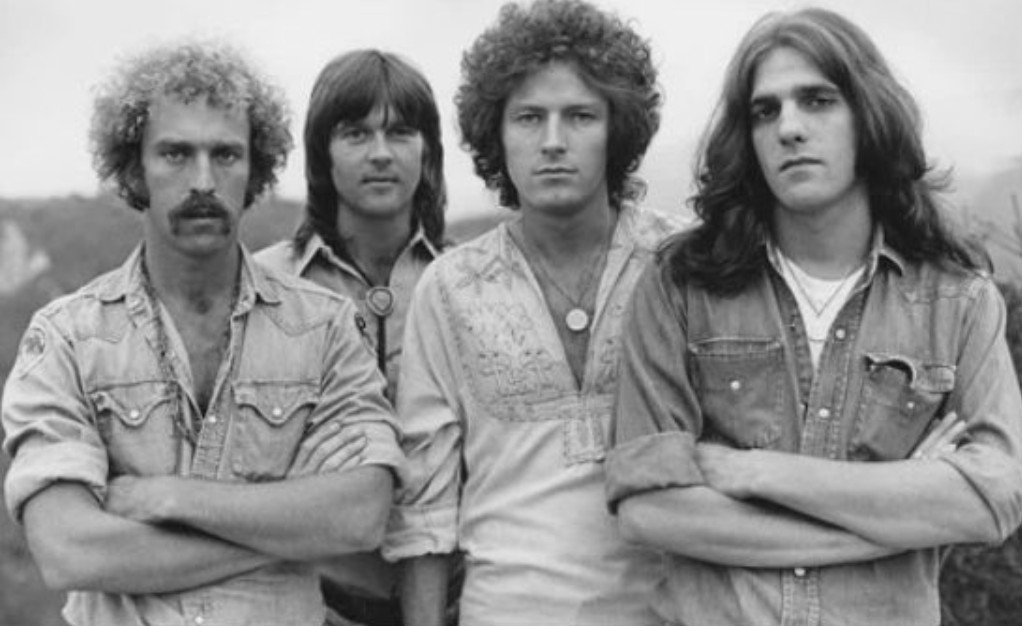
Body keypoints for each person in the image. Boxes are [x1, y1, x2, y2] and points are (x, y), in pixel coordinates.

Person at [606, 7, 1022, 625]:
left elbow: (993, 499)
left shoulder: (958, 300)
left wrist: (756, 472)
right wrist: (899, 514)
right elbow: (649, 510)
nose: (789, 128)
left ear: (869, 116)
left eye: (818, 101)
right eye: (764, 111)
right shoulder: (682, 287)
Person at [1, 41, 404, 626]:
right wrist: (291, 526)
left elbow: (361, 516)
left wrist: (169, 497)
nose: (204, 180)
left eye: (226, 155)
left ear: (254, 168)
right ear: (134, 168)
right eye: (175, 154)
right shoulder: (66, 336)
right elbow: (69, 550)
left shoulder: (325, 328)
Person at [383, 1, 683, 624]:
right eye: (528, 117)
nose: (552, 142)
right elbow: (423, 508)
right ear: (496, 133)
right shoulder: (450, 287)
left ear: (618, 129)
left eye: (580, 116)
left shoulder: (681, 264)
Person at [257, 49, 446, 626]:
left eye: (401, 132)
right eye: (356, 134)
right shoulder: (266, 286)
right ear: (323, 152)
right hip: (310, 598)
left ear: (428, 151)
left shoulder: (468, 281)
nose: (381, 153)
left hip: (458, 595)